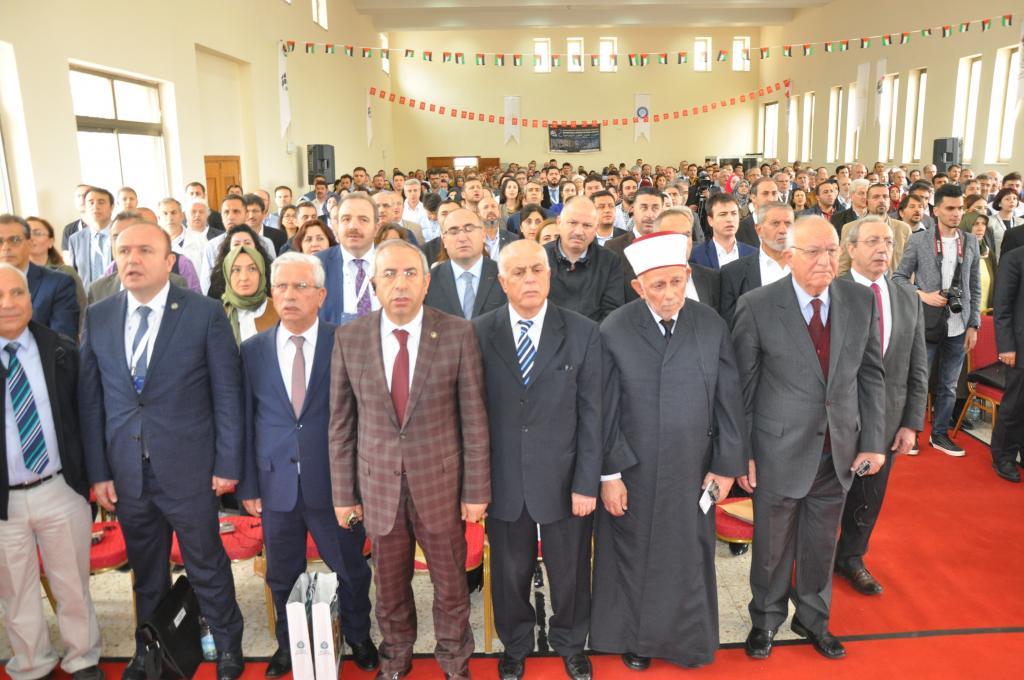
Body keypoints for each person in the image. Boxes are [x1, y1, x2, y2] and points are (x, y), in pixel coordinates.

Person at [79, 221, 246, 680]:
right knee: (146, 571)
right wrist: (99, 472)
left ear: (169, 261)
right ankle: (150, 648)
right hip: (127, 472)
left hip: (190, 468)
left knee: (206, 562)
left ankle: (228, 643)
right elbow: (91, 401)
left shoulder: (203, 313)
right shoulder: (99, 316)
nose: (132, 259)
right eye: (124, 251)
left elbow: (227, 395)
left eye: (145, 250)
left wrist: (228, 463)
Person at [329, 239, 490, 680]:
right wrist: (343, 494)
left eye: (409, 274)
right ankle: (396, 660)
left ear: (426, 282)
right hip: (377, 487)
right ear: (373, 284)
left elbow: (474, 420)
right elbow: (341, 425)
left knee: (451, 586)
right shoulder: (350, 339)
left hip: (441, 485)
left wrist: (476, 490)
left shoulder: (457, 333)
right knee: (389, 588)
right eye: (389, 274)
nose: (399, 284)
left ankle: (455, 662)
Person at [734, 216, 886, 661]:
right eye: (814, 252)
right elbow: (742, 389)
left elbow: (871, 375)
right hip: (777, 450)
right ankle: (766, 619)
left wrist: (872, 440)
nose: (825, 260)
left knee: (820, 545)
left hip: (837, 450)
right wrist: (743, 452)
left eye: (832, 251)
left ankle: (813, 619)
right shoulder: (757, 306)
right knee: (772, 546)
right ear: (788, 257)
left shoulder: (860, 300)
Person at [591, 231, 745, 670]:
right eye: (657, 285)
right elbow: (603, 409)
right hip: (632, 471)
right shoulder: (615, 328)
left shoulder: (710, 324)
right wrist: (610, 475)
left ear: (687, 276)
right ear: (638, 287)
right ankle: (635, 639)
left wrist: (725, 466)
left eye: (677, 282)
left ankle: (687, 641)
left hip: (693, 469)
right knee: (635, 557)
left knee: (688, 558)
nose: (669, 294)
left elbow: (729, 400)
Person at [237, 252, 378, 676]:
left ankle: (359, 635)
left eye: (301, 286)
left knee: (350, 568)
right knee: (282, 574)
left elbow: (364, 417)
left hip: (336, 486)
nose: (290, 295)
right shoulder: (253, 350)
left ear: (321, 294)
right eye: (281, 287)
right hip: (275, 483)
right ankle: (288, 645)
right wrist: (248, 486)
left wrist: (360, 486)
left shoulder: (346, 342)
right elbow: (247, 421)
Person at [473, 240, 601, 680]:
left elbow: (593, 414)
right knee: (510, 572)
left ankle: (571, 641)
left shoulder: (583, 332)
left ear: (550, 275)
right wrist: (475, 486)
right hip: (503, 478)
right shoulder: (478, 333)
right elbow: (469, 416)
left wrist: (587, 481)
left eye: (537, 270)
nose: (529, 279)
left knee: (570, 571)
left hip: (565, 478)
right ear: (502, 281)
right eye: (519, 272)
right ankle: (516, 643)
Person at [0, 263, 103, 680]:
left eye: (17, 293)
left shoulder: (61, 350)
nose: (8, 304)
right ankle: (31, 663)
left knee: (72, 583)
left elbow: (87, 417)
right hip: (4, 501)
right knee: (15, 592)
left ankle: (83, 657)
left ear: (31, 299)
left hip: (59, 487)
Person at [834, 216, 928, 595]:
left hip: (887, 417)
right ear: (851, 248)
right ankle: (812, 557)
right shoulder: (832, 292)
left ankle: (852, 557)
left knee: (869, 495)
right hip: (836, 417)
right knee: (827, 494)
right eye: (872, 241)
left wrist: (911, 422)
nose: (882, 249)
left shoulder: (906, 297)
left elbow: (917, 364)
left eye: (888, 242)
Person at [894, 183, 982, 457]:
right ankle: (911, 433)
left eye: (960, 208)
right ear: (936, 210)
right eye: (950, 208)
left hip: (959, 324)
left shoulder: (970, 241)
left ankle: (940, 434)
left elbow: (974, 286)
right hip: (927, 322)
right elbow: (898, 278)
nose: (956, 213)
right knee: (918, 381)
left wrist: (973, 324)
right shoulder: (920, 240)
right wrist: (923, 295)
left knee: (949, 384)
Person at [545, 197, 624, 322]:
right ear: (559, 223)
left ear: (596, 228)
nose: (578, 231)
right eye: (572, 223)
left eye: (587, 225)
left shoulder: (609, 261)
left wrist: (589, 333)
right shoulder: (540, 258)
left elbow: (612, 314)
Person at [0, 215, 79, 338]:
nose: (5, 247)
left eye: (14, 240)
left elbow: (62, 342)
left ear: (30, 243)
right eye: (0, 241)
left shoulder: (58, 284)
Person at [720, 202, 794, 327]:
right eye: (775, 223)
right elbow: (730, 324)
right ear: (759, 229)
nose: (783, 230)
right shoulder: (733, 273)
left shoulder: (810, 268)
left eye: (788, 223)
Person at [424, 209, 507, 319]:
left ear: (483, 235)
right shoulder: (428, 282)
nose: (462, 238)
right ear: (444, 240)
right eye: (453, 231)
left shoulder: (505, 275)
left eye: (469, 229)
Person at [316, 193, 381, 325]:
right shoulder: (317, 265)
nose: (353, 226)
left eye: (363, 219)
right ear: (337, 225)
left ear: (376, 228)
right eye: (346, 219)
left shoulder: (395, 262)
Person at [991, 245, 1024, 482]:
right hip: (1019, 348)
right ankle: (1003, 456)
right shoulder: (1014, 258)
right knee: (1014, 405)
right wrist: (1006, 347)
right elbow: (1002, 308)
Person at [837, 183, 911, 276]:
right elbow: (843, 267)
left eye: (885, 197)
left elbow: (909, 267)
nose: (882, 200)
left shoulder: (903, 229)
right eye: (876, 197)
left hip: (895, 284)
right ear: (867, 202)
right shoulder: (850, 228)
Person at [27, 216, 87, 318]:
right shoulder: (15, 275)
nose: (31, 238)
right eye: (26, 234)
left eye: (37, 233)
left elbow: (83, 310)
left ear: (50, 242)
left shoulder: (66, 272)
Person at [222, 246, 276, 345]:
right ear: (227, 275)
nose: (244, 277)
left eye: (252, 269)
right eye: (236, 270)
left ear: (261, 273)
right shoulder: (218, 315)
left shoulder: (278, 309)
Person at [690, 194, 758, 269]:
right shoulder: (697, 255)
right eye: (723, 214)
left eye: (734, 213)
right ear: (710, 220)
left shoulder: (753, 254)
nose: (730, 219)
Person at [67, 187, 114, 288]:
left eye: (101, 202)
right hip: (87, 296)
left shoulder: (123, 234)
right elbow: (74, 276)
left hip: (119, 294)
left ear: (112, 207)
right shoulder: (75, 240)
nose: (95, 206)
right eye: (91, 202)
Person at [736, 177, 780, 247]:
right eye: (765, 193)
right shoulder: (739, 229)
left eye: (774, 193)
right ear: (753, 197)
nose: (771, 199)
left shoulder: (789, 225)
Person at [61, 184, 91, 252]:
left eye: (85, 195)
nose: (82, 199)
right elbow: (67, 257)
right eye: (79, 196)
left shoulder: (108, 226)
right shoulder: (69, 229)